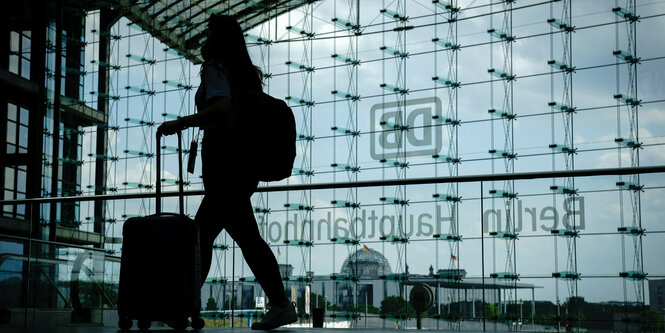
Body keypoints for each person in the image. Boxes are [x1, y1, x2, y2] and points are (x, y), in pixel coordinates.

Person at [157, 14, 297, 330]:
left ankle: (183, 307)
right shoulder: (243, 75)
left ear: (217, 39)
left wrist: (182, 123)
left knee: (202, 236)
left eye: (208, 33)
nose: (204, 38)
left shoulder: (215, 69)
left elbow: (221, 110)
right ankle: (280, 304)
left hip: (226, 171)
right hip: (242, 169)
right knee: (240, 238)